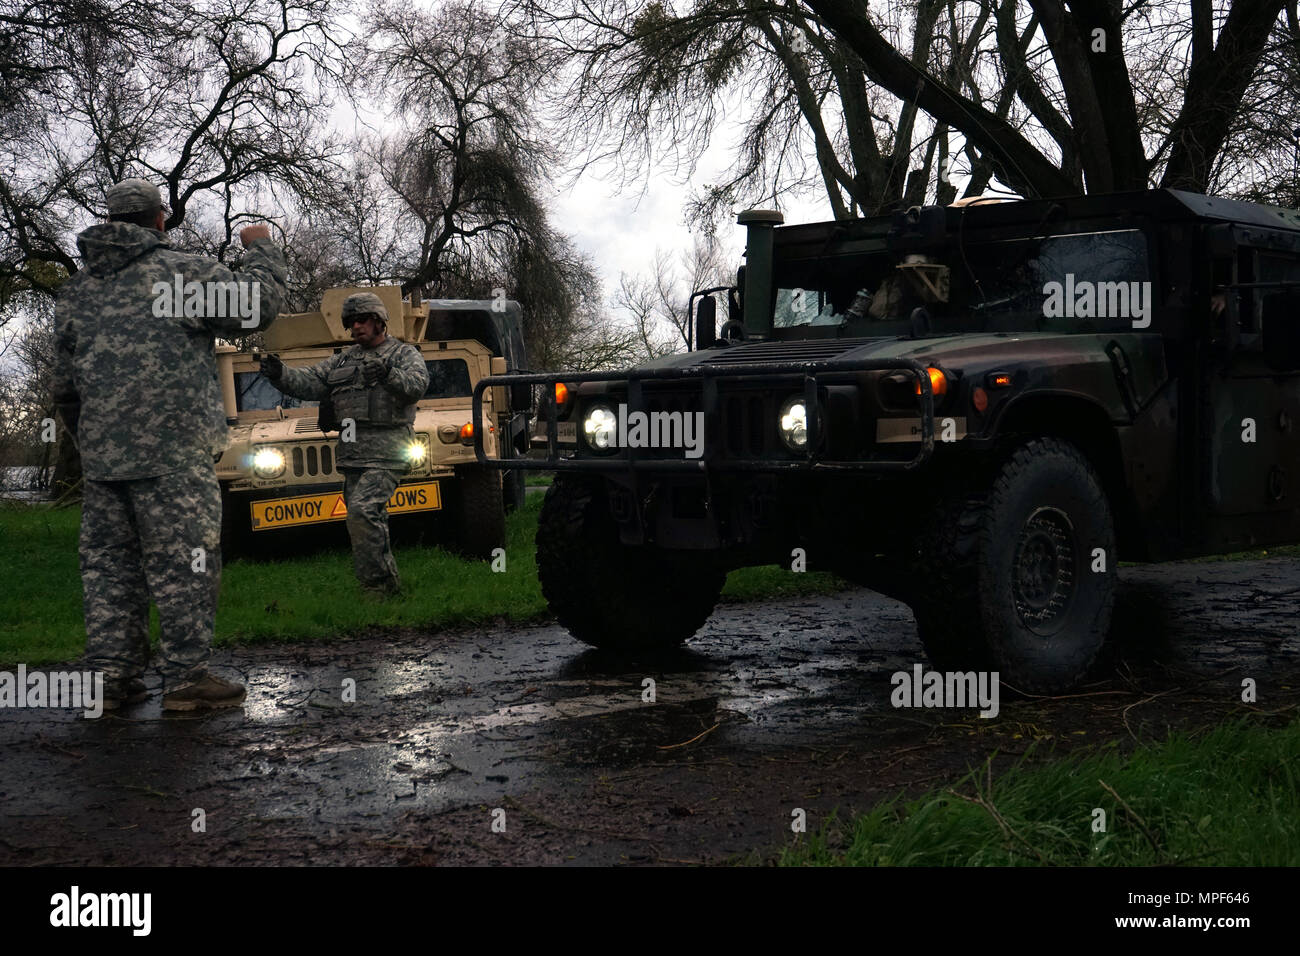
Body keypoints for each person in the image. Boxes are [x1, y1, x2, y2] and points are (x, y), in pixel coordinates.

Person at [53, 178, 288, 711]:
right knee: (187, 561)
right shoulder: (181, 276)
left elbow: (64, 389)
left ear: (110, 220)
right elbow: (258, 305)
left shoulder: (77, 292)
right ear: (160, 219)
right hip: (174, 455)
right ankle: (186, 679)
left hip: (104, 461)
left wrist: (91, 443)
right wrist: (261, 249)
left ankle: (110, 679)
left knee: (111, 566)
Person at [259, 292, 430, 597]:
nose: (356, 327)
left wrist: (390, 374)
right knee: (363, 519)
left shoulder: (402, 354)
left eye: (362, 320)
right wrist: (280, 374)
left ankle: (377, 589)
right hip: (353, 455)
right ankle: (382, 586)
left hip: (388, 453)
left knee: (363, 512)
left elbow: (417, 385)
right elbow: (311, 380)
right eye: (351, 322)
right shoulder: (343, 359)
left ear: (379, 321)